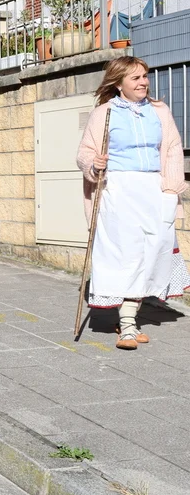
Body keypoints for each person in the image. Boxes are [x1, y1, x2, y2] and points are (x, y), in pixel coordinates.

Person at [77, 56, 190, 350]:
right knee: (126, 256)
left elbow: (173, 150)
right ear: (118, 84)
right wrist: (94, 164)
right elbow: (84, 153)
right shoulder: (104, 114)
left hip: (154, 190)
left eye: (144, 76)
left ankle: (129, 318)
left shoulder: (159, 111)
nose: (143, 83)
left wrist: (170, 190)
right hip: (118, 191)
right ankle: (127, 325)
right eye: (135, 78)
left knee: (150, 255)